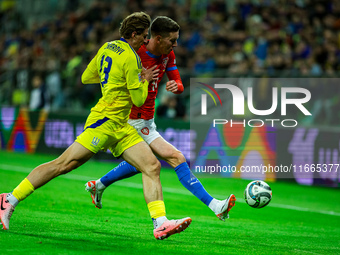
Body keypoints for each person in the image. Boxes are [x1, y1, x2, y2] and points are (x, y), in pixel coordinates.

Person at [0, 12, 192, 240]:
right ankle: (9, 199)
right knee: (63, 164)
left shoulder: (108, 47)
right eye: (143, 35)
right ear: (134, 34)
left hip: (121, 125)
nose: (145, 40)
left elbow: (86, 77)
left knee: (151, 166)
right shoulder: (132, 58)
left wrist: (112, 81)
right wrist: (144, 79)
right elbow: (139, 100)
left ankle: (160, 223)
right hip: (104, 122)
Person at [85, 16, 236, 221]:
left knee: (143, 163)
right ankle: (212, 206)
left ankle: (99, 185)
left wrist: (177, 87)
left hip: (148, 121)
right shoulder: (135, 52)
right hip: (129, 120)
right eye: (172, 40)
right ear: (157, 38)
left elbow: (177, 81)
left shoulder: (168, 55)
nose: (175, 45)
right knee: (175, 158)